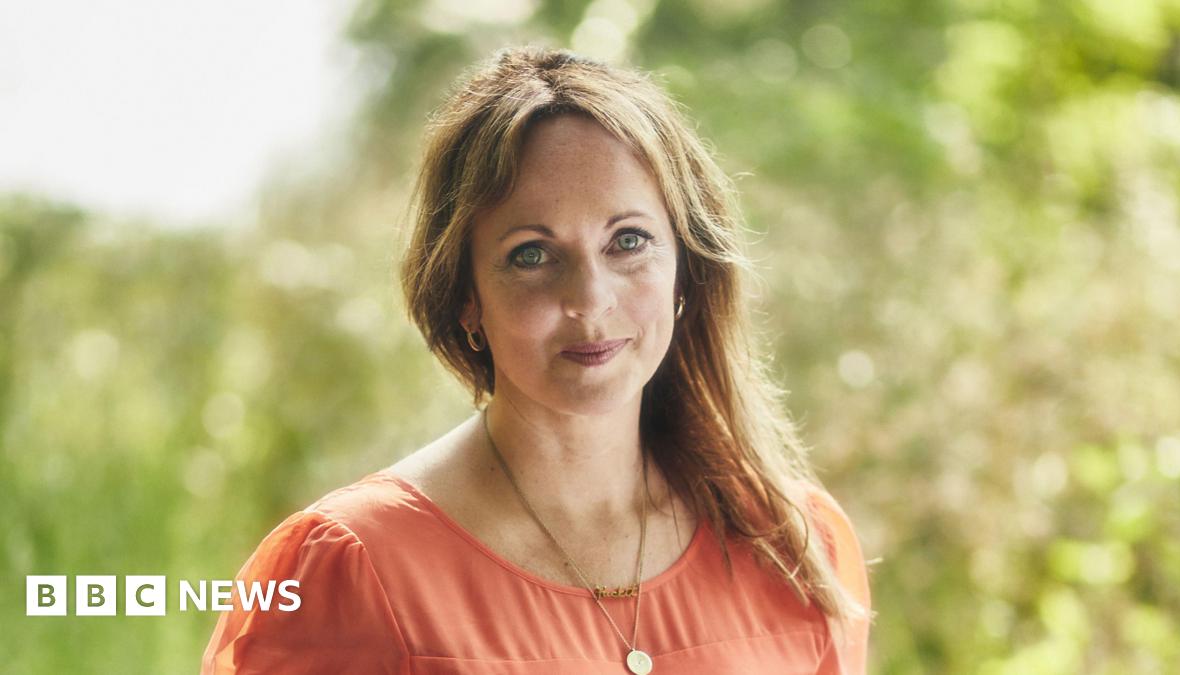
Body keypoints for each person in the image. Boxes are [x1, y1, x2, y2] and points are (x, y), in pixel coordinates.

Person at [202, 45, 872, 674]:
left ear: (685, 270)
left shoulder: (795, 545)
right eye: (531, 253)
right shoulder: (353, 568)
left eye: (628, 240)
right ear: (466, 295)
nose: (588, 298)